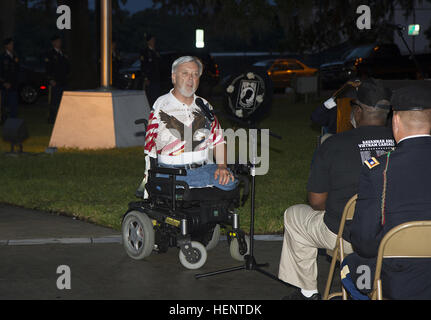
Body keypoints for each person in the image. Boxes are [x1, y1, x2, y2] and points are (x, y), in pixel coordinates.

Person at [278, 79, 396, 300]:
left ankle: (307, 292)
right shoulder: (404, 143)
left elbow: (316, 201)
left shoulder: (333, 144)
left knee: (294, 215)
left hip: (347, 236)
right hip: (396, 235)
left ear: (358, 111)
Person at [343, 84, 431, 300]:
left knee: (350, 266)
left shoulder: (379, 170)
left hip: (397, 282)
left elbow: (364, 243)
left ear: (396, 121)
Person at [142, 56, 237, 198]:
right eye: (185, 73)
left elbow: (218, 140)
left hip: (204, 168)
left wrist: (222, 166)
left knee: (230, 182)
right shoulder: (161, 106)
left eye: (195, 74)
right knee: (184, 192)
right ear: (174, 77)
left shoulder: (204, 105)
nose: (191, 79)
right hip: (172, 171)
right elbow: (150, 149)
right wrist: (148, 180)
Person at [45, 35, 70, 124]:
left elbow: (67, 67)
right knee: (54, 102)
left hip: (63, 81)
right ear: (54, 43)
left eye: (60, 41)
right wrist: (51, 80)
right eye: (58, 41)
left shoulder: (63, 53)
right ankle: (52, 119)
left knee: (63, 101)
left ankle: (62, 118)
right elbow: (48, 68)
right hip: (55, 82)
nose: (59, 43)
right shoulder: (50, 54)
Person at [0, 38, 20, 124]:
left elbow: (16, 70)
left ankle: (13, 122)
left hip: (13, 85)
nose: (12, 46)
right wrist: (4, 82)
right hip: (5, 86)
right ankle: (4, 121)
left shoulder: (15, 56)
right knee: (4, 105)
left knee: (14, 105)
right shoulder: (2, 57)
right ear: (6, 46)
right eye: (10, 44)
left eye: (12, 44)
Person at [140, 34, 161, 107]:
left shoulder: (156, 51)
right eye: (152, 40)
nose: (153, 42)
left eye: (154, 40)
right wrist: (145, 78)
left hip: (156, 78)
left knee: (157, 96)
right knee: (150, 97)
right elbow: (144, 66)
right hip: (150, 78)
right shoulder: (145, 52)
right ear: (148, 41)